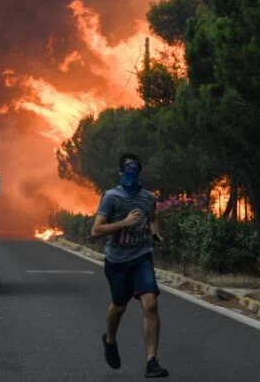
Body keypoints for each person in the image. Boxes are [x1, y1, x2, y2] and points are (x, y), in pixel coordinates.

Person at [90, 153, 169, 378]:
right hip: (116, 260)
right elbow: (95, 231)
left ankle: (151, 362)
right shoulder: (111, 197)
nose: (132, 174)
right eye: (128, 170)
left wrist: (156, 235)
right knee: (119, 306)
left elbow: (152, 217)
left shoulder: (148, 197)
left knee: (151, 304)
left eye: (135, 170)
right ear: (121, 172)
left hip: (141, 256)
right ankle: (110, 340)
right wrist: (124, 223)